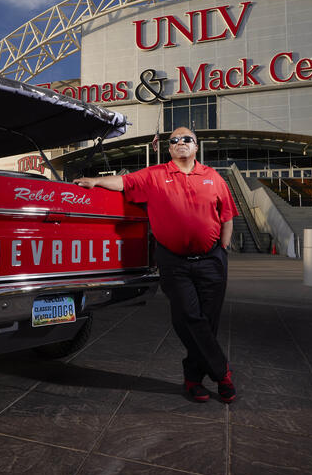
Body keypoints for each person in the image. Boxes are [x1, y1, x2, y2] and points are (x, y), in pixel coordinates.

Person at [74, 127, 238, 403]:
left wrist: (223, 247)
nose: (180, 142)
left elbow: (227, 215)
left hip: (211, 260)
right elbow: (124, 182)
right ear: (169, 148)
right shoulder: (155, 176)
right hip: (174, 261)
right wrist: (95, 181)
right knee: (188, 317)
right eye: (174, 140)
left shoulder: (213, 177)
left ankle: (193, 380)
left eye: (187, 139)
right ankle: (222, 373)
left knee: (208, 322)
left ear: (196, 146)